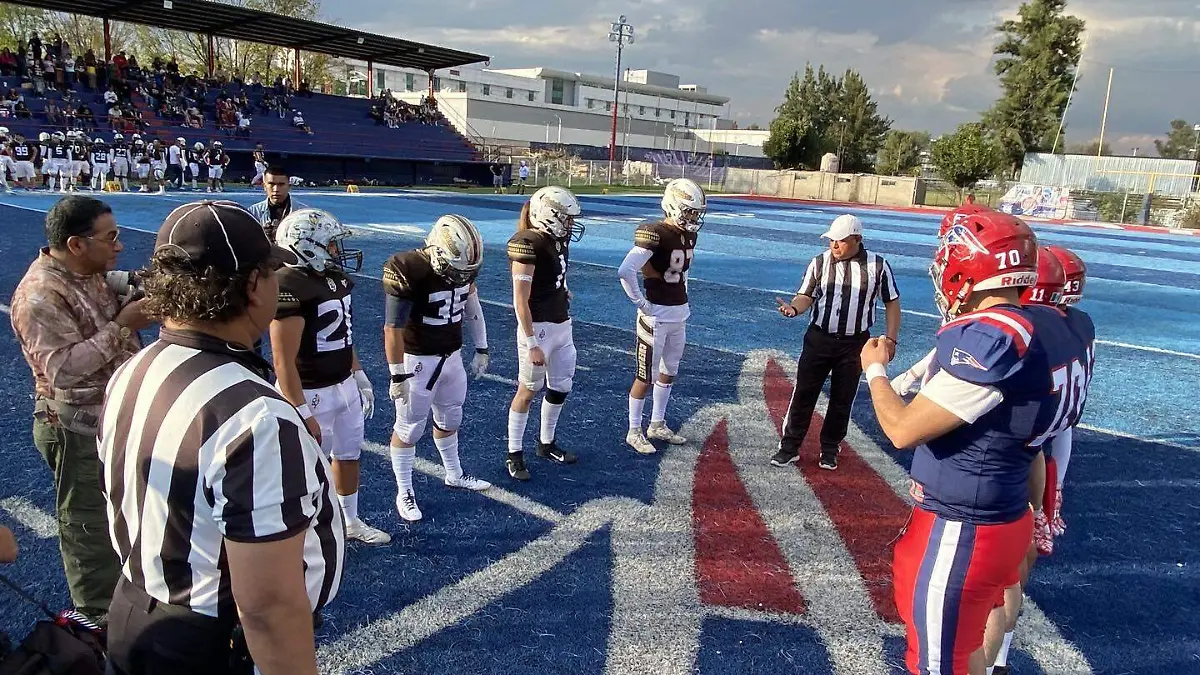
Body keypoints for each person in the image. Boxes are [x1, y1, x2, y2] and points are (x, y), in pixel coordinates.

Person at [99, 201, 345, 675]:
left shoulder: (133, 368)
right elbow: (268, 608)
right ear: (254, 286)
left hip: (136, 609)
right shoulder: (254, 415)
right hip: (210, 640)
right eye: (272, 271)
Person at [858, 210, 1092, 675]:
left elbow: (901, 429)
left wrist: (875, 371)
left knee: (936, 663)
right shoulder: (1061, 325)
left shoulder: (993, 337)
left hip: (962, 529)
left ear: (969, 266)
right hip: (1005, 512)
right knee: (968, 651)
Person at [9, 196, 148, 623]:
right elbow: (65, 369)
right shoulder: (40, 296)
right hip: (76, 427)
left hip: (110, 416)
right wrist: (124, 325)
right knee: (87, 525)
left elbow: (118, 282)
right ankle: (99, 623)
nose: (119, 245)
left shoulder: (87, 272)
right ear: (76, 244)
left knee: (124, 509)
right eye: (110, 238)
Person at [270, 208, 390, 545]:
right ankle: (300, 533)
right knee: (304, 468)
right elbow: (283, 359)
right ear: (308, 246)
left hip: (344, 385)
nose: (337, 251)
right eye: (332, 245)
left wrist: (359, 373)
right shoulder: (289, 284)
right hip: (310, 391)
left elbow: (343, 336)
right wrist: (300, 409)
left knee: (349, 454)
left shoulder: (333, 281)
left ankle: (349, 521)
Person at [382, 215, 492, 522]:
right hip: (418, 362)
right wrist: (397, 372)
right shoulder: (409, 268)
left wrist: (481, 347)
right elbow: (392, 327)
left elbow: (473, 308)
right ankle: (404, 490)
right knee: (410, 426)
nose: (463, 275)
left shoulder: (461, 269)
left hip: (451, 356)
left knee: (451, 415)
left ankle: (454, 473)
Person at [771, 213, 900, 470]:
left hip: (854, 343)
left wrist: (892, 338)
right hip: (819, 338)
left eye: (840, 241)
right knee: (804, 393)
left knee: (843, 398)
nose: (834, 246)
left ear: (857, 239)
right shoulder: (819, 263)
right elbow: (805, 295)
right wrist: (794, 309)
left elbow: (892, 301)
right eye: (831, 241)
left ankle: (830, 448)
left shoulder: (877, 266)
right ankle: (790, 446)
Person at [617, 178, 707, 455]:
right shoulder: (654, 232)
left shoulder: (689, 234)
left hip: (679, 312)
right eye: (689, 210)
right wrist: (641, 304)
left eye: (696, 212)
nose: (694, 216)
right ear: (673, 206)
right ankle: (634, 430)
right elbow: (625, 270)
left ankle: (657, 424)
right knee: (645, 376)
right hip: (656, 315)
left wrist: (684, 296)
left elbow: (684, 273)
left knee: (669, 373)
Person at [504, 186, 583, 481]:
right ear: (549, 215)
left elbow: (556, 273)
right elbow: (519, 299)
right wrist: (531, 343)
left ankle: (546, 443)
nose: (571, 224)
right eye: (566, 217)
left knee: (561, 386)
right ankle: (514, 453)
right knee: (527, 391)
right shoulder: (528, 243)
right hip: (538, 329)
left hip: (562, 324)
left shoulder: (556, 239)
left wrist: (562, 289)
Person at [248, 165, 308, 241]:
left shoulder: (304, 213)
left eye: (281, 184)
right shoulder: (253, 212)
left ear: (289, 186)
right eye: (271, 184)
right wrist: (260, 236)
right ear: (264, 186)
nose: (276, 189)